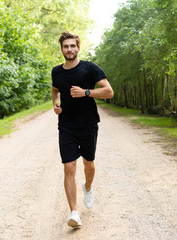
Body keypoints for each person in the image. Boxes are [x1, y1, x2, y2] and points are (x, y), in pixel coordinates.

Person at [51, 31, 114, 228]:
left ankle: (88, 187)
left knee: (89, 164)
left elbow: (109, 92)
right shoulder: (57, 71)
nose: (69, 50)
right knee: (69, 167)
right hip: (66, 126)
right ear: (61, 49)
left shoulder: (90, 68)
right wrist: (56, 103)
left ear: (78, 48)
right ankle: (74, 213)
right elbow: (55, 90)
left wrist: (86, 92)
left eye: (72, 46)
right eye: (65, 46)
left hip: (87, 125)